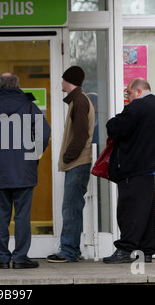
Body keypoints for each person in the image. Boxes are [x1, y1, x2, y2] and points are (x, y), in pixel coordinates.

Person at [0, 73, 51, 269]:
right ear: (17, 85)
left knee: (0, 215)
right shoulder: (28, 104)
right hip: (24, 167)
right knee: (22, 215)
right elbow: (45, 132)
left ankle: (2, 258)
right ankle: (20, 258)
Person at [103, 77, 155, 264]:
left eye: (128, 93)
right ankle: (145, 252)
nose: (127, 97)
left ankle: (125, 250)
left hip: (136, 170)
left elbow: (114, 128)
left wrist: (112, 121)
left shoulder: (138, 106)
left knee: (130, 211)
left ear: (138, 91)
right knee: (150, 214)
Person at [47, 66, 95, 263]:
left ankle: (68, 251)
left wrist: (68, 156)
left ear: (68, 81)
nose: (61, 83)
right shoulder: (78, 100)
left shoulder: (80, 101)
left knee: (71, 207)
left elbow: (81, 134)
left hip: (78, 163)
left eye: (62, 80)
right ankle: (71, 249)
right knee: (72, 207)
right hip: (78, 162)